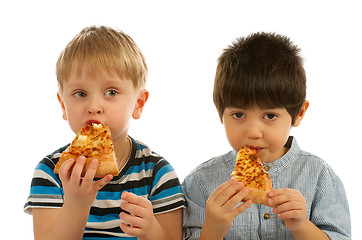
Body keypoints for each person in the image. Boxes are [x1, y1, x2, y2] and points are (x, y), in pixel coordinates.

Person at [182, 32, 351, 240]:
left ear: (298, 114)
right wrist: (212, 230)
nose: (253, 132)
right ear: (220, 114)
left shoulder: (320, 178)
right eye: (238, 115)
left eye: (270, 115)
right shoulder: (200, 182)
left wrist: (301, 225)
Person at [24, 26, 185, 240]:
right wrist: (77, 204)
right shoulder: (51, 173)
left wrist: (151, 230)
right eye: (80, 93)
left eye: (111, 92)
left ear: (138, 103)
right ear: (63, 105)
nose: (94, 106)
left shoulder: (157, 174)